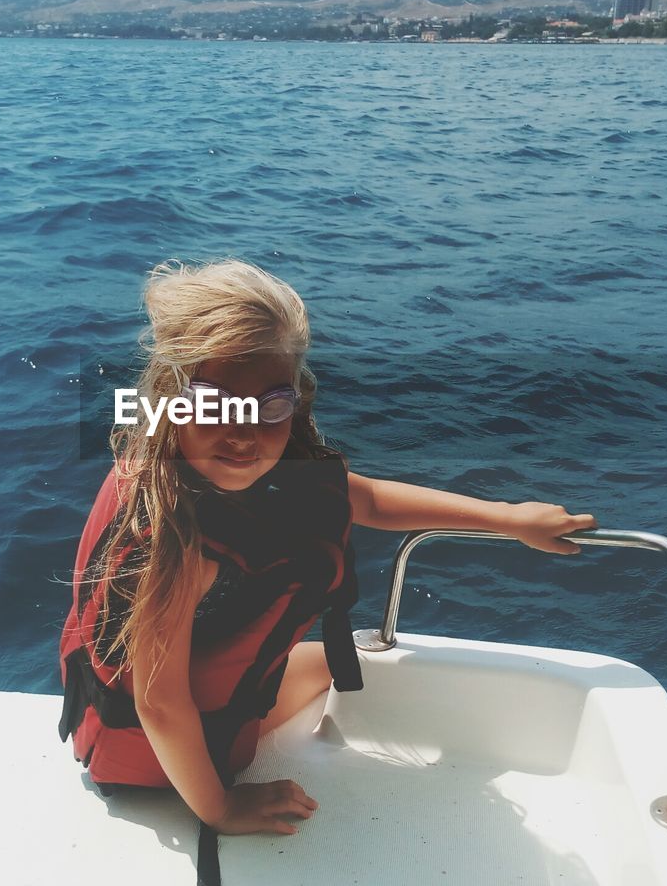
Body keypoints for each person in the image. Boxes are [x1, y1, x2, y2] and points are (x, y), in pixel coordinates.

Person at [58, 258, 597, 844]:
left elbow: (366, 500)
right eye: (215, 403)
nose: (243, 431)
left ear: (296, 400)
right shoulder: (174, 536)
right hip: (164, 754)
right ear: (172, 399)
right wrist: (221, 809)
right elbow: (160, 704)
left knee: (354, 668)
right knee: (345, 670)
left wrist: (508, 519)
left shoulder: (214, 461)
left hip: (189, 699)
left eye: (271, 407)